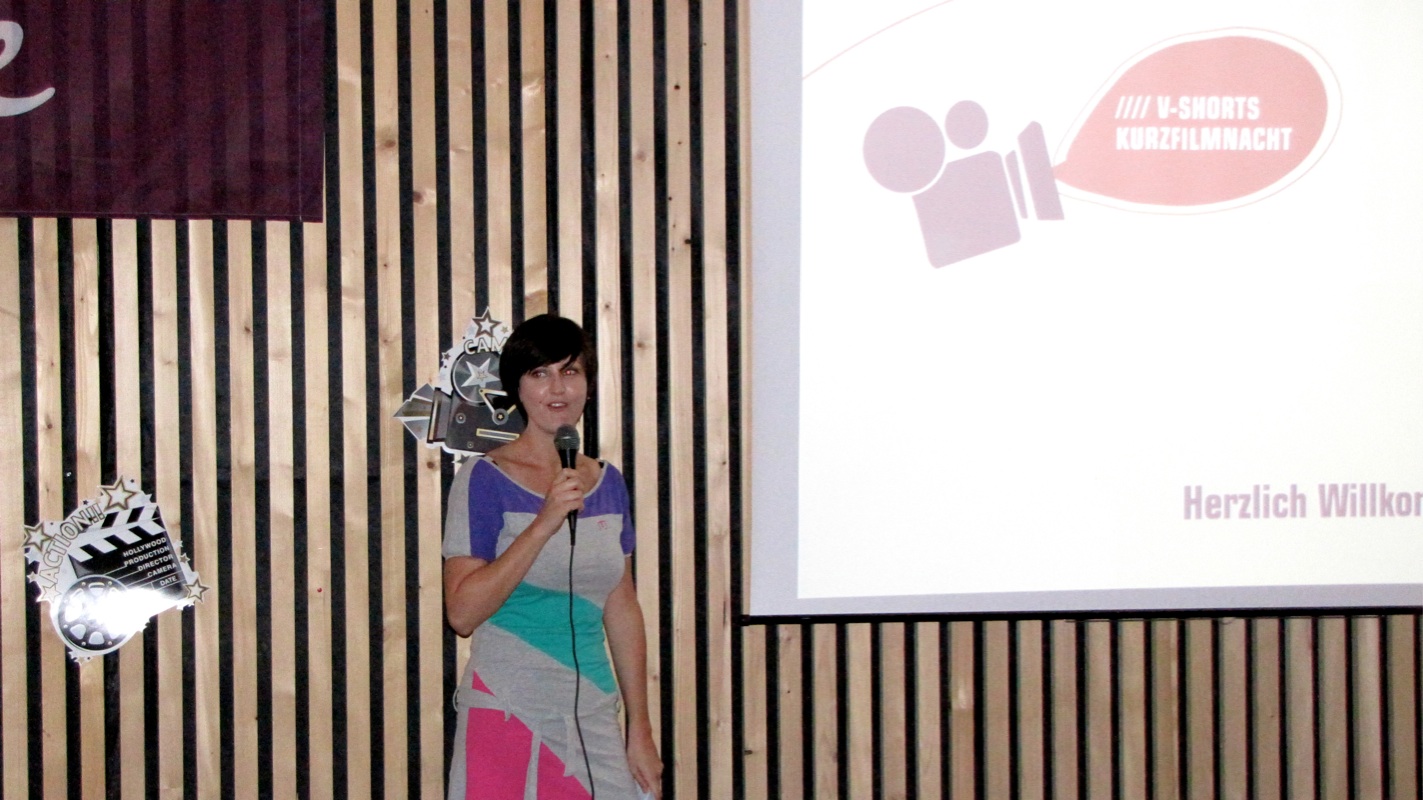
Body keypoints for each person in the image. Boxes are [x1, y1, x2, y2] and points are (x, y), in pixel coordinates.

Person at [442, 314, 661, 799]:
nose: (557, 388)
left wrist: (640, 727)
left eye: (570, 371)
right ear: (518, 388)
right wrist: (544, 521)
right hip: (507, 710)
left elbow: (621, 605)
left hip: (593, 715)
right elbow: (462, 613)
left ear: (588, 385)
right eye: (540, 373)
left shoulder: (609, 482)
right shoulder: (484, 478)